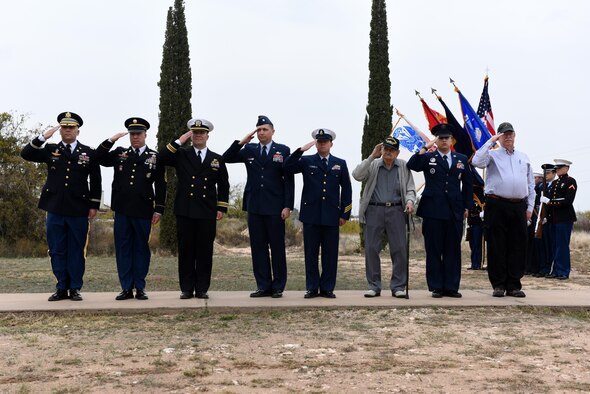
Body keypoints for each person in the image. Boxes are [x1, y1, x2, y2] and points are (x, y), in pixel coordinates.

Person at [20, 112, 102, 301]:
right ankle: (61, 287)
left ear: (77, 131)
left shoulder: (88, 152)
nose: (67, 130)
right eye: (64, 127)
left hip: (78, 208)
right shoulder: (50, 149)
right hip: (55, 207)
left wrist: (94, 205)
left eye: (71, 127)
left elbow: (96, 181)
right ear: (60, 130)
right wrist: (42, 137)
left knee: (76, 249)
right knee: (56, 249)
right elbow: (26, 154)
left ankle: (74, 288)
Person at [223, 115, 294, 298]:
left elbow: (289, 180)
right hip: (255, 206)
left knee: (277, 248)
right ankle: (263, 285)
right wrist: (241, 141)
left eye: (265, 129)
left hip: (275, 207)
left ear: (272, 131)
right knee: (258, 248)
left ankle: (278, 286)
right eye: (259, 130)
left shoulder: (283, 150)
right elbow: (227, 158)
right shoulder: (249, 149)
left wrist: (288, 206)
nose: (262, 132)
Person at [96, 118, 166, 300]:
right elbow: (99, 157)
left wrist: (159, 208)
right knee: (123, 248)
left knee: (141, 248)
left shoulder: (154, 156)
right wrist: (111, 141)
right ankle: (126, 287)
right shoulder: (120, 153)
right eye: (132, 134)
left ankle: (140, 287)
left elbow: (160, 184)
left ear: (145, 135)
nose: (135, 137)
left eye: (138, 134)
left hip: (143, 210)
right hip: (122, 209)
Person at [159, 118, 229, 299]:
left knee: (204, 251)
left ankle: (202, 288)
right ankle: (187, 288)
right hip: (186, 210)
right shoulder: (181, 154)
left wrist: (221, 207)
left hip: (207, 211)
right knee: (186, 250)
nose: (198, 136)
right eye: (195, 133)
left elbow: (223, 185)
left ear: (207, 136)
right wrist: (179, 141)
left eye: (202, 133)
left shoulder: (217, 159)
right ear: (191, 135)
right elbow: (161, 158)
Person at [283, 128, 352, 299]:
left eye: (325, 142)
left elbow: (347, 189)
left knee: (330, 254)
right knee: (311, 254)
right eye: (319, 142)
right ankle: (312, 287)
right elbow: (287, 167)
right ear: (315, 144)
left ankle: (327, 288)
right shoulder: (306, 161)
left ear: (331, 144)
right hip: (311, 215)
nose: (322, 144)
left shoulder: (340, 163)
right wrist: (300, 150)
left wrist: (344, 214)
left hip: (331, 216)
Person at [407, 123, 473, 298]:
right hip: (433, 210)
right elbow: (412, 165)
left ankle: (451, 287)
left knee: (453, 250)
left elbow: (467, 185)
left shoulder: (461, 158)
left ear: (452, 140)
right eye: (440, 138)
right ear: (436, 140)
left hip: (454, 211)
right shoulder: (429, 157)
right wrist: (425, 147)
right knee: (434, 249)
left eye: (447, 138)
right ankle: (436, 286)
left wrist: (467, 206)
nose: (444, 141)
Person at [471, 122, 535, 297]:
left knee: (518, 245)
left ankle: (514, 285)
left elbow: (530, 184)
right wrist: (491, 141)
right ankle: (498, 284)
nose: (508, 137)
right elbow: (476, 161)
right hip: (497, 203)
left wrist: (529, 206)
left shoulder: (524, 157)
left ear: (515, 136)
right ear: (499, 136)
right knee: (497, 245)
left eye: (510, 134)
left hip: (518, 205)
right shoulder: (492, 155)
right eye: (504, 134)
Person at [351, 136, 416, 298]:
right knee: (372, 248)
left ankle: (398, 286)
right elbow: (357, 175)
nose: (388, 152)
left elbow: (410, 189)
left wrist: (409, 201)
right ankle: (374, 286)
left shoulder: (403, 166)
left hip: (396, 211)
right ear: (381, 149)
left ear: (397, 152)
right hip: (374, 210)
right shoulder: (373, 164)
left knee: (399, 249)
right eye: (385, 149)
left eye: (392, 150)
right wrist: (372, 155)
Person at [544, 159, 577, 280]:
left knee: (562, 245)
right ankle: (556, 270)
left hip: (564, 218)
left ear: (567, 168)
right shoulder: (554, 183)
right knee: (554, 245)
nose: (557, 170)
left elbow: (568, 201)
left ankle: (563, 271)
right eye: (556, 168)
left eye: (559, 168)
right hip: (553, 219)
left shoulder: (570, 181)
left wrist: (550, 202)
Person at [538, 165, 557, 277]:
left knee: (550, 246)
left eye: (548, 173)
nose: (546, 175)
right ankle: (543, 268)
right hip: (541, 220)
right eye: (545, 173)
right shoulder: (541, 186)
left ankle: (549, 268)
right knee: (542, 246)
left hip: (550, 219)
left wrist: (547, 217)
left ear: (554, 173)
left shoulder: (555, 185)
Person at [525, 171, 544, 276]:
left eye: (535, 178)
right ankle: (528, 266)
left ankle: (534, 267)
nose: (533, 180)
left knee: (535, 246)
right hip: (531, 220)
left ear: (539, 178)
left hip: (536, 220)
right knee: (528, 245)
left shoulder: (539, 188)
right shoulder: (531, 189)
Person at [466, 184, 485, 270]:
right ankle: (474, 263)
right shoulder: (470, 201)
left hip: (478, 225)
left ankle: (478, 264)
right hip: (471, 225)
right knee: (472, 245)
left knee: (477, 245)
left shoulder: (481, 202)